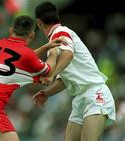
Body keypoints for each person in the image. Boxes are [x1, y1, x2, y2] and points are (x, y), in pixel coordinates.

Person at [0, 15, 61, 141]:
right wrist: (53, 52)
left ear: (10, 30)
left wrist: (45, 47)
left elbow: (21, 58)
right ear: (32, 35)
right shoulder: (26, 55)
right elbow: (48, 72)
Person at [32, 2, 116, 141]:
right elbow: (65, 79)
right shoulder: (55, 41)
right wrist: (47, 93)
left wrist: (51, 74)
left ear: (38, 22)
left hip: (95, 94)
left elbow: (68, 55)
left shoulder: (61, 32)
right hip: (80, 99)